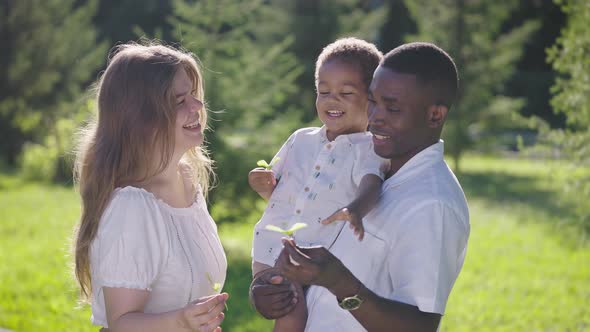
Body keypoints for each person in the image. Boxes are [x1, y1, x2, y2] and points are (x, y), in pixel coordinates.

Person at [272, 42, 471, 331]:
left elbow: (420, 325)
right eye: (373, 101)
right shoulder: (370, 171)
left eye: (392, 108)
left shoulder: (432, 204)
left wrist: (341, 283)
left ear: (435, 116)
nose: (375, 116)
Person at [72, 42, 228, 332]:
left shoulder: (187, 179)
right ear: (141, 117)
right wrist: (182, 321)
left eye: (193, 95)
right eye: (179, 101)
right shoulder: (132, 207)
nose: (197, 106)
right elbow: (122, 323)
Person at [248, 38, 388, 328]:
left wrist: (356, 209)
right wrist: (262, 184)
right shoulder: (301, 139)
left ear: (373, 98)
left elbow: (371, 182)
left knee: (294, 312)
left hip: (311, 259)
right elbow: (278, 191)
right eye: (323, 91)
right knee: (285, 307)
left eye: (345, 92)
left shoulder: (368, 148)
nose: (331, 100)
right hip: (270, 246)